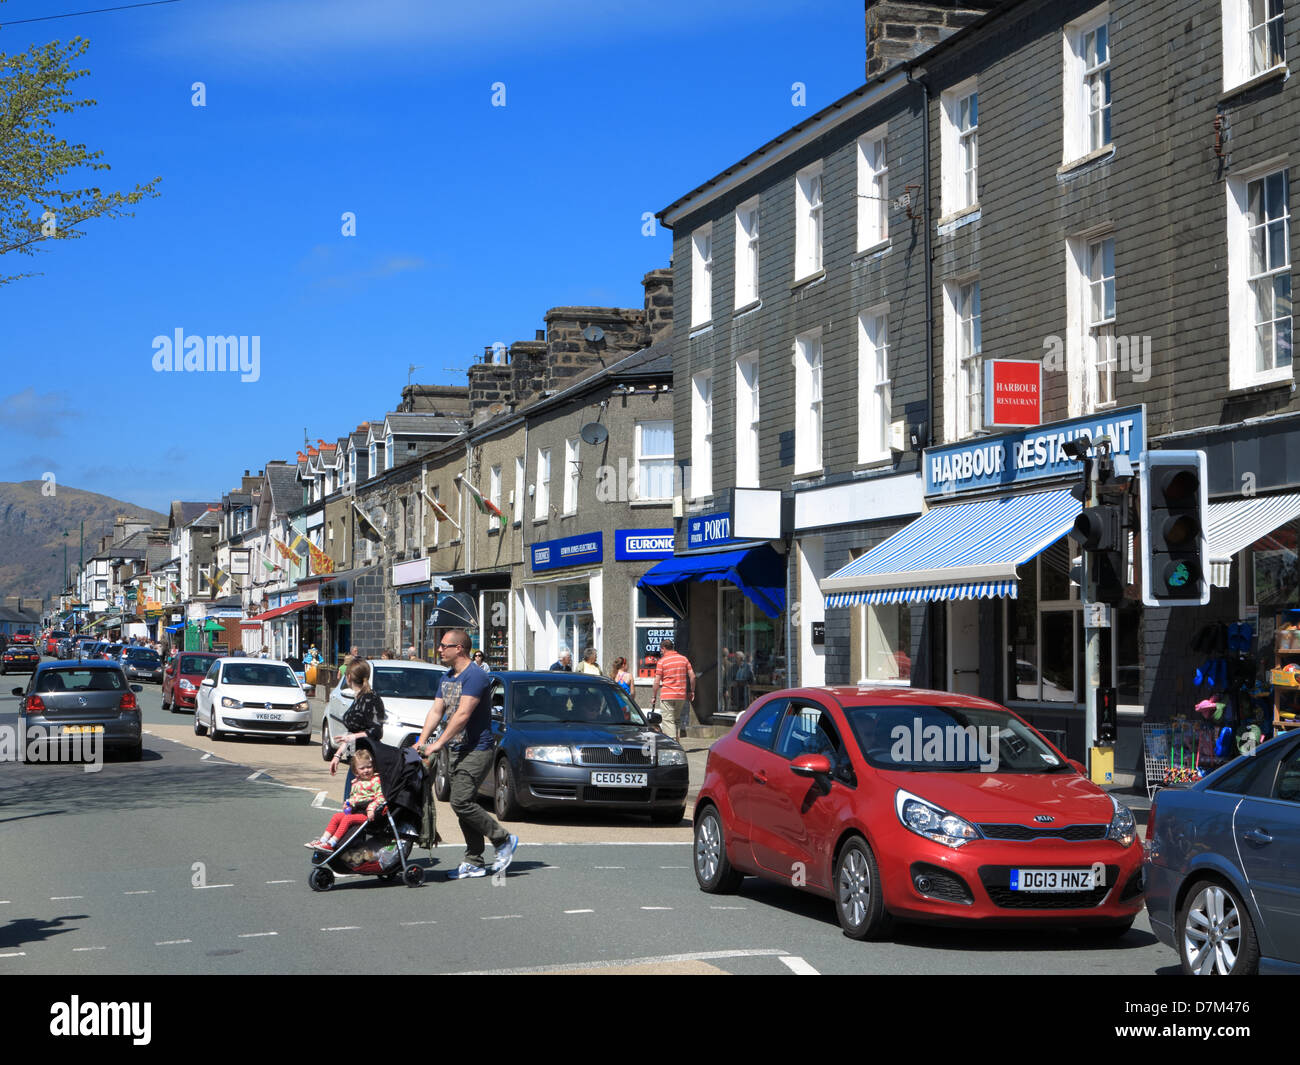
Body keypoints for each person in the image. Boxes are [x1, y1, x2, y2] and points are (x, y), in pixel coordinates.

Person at [415, 629, 517, 880]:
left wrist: (437, 743)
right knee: (461, 805)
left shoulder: (476, 676)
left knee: (460, 800)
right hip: (456, 750)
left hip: (477, 749)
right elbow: (436, 711)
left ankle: (503, 839)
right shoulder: (447, 676)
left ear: (458, 648)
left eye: (443, 645)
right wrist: (421, 741)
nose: (439, 649)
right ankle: (474, 860)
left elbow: (462, 714)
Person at [307, 747, 384, 850]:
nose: (366, 770)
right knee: (337, 816)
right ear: (356, 771)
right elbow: (354, 797)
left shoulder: (376, 781)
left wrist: (371, 808)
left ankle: (332, 843)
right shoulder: (356, 782)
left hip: (367, 813)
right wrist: (348, 804)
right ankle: (323, 840)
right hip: (356, 810)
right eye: (362, 768)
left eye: (369, 767)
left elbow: (381, 797)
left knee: (347, 819)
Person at [330, 659, 387, 783]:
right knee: (350, 801)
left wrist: (354, 737)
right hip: (355, 761)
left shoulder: (371, 699)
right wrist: (338, 755)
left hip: (366, 764)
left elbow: (376, 731)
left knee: (360, 800)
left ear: (349, 677)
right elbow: (351, 733)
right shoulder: (359, 698)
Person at [651, 638, 695, 741]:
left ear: (664, 648)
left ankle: (672, 743)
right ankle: (677, 743)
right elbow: (692, 676)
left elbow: (656, 681)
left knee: (668, 721)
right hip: (680, 695)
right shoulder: (684, 659)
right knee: (676, 720)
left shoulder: (662, 662)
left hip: (667, 695)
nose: (661, 652)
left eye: (661, 650)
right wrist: (692, 691)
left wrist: (654, 696)